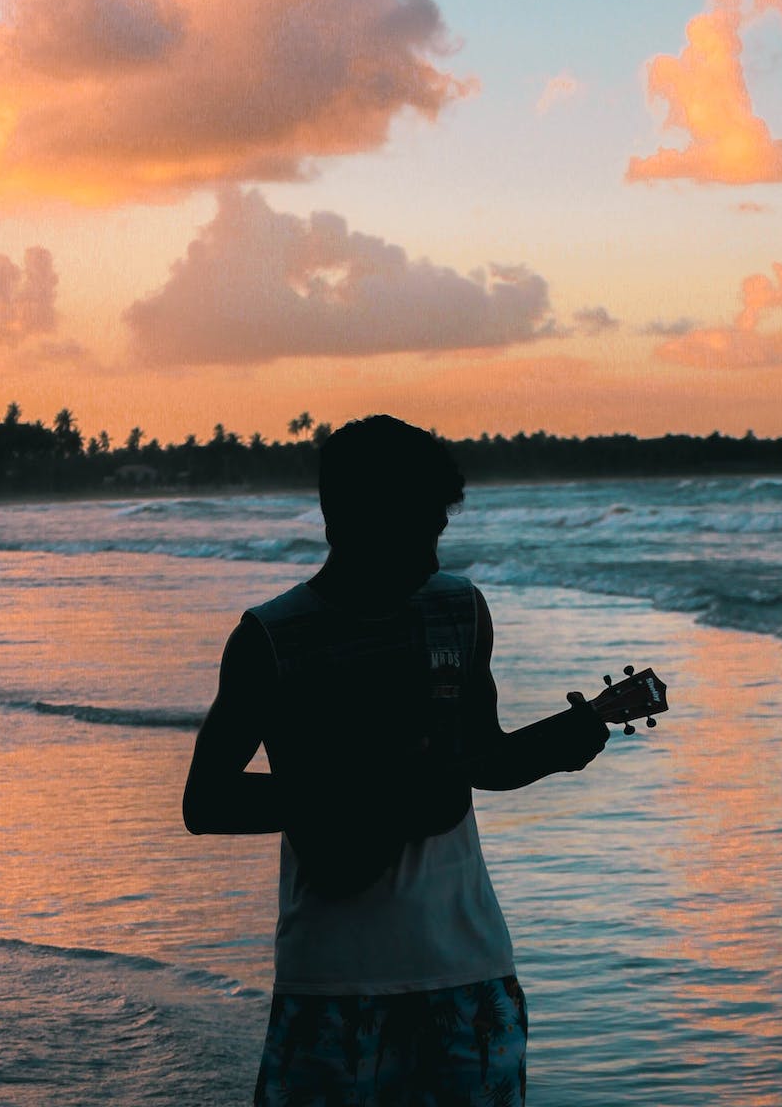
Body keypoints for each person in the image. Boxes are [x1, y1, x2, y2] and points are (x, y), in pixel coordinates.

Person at [182, 415, 611, 1105]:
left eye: (438, 529)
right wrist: (359, 793)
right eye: (417, 529)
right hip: (332, 983)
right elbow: (206, 804)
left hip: (469, 973)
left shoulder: (460, 611)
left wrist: (559, 751)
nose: (433, 554)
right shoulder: (271, 637)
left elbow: (485, 761)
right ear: (348, 519)